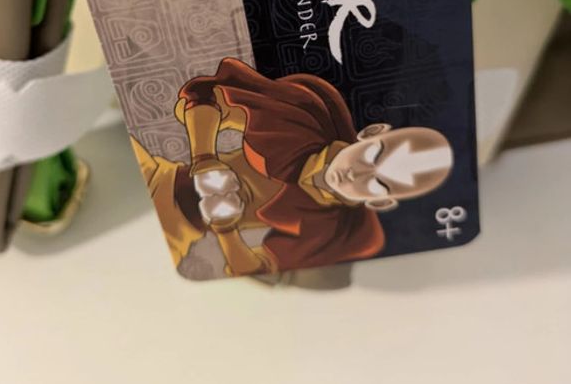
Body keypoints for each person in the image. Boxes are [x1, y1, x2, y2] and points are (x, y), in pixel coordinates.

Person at [132, 58, 453, 277]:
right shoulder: (308, 114)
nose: (357, 174)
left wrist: (225, 227)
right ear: (371, 133)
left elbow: (253, 267)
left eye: (379, 184)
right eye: (372, 155)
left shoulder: (345, 233)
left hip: (173, 237)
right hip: (153, 175)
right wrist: (204, 158)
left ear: (381, 203)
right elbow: (205, 96)